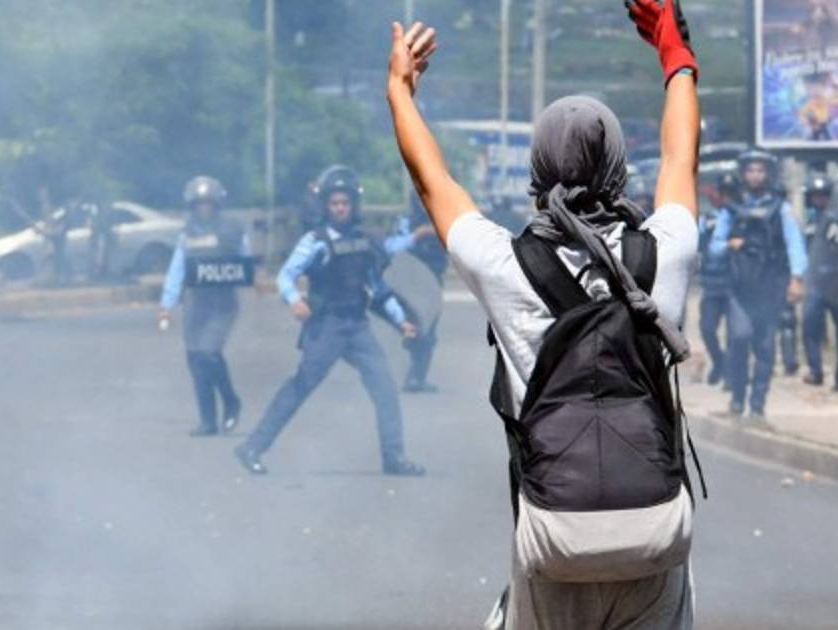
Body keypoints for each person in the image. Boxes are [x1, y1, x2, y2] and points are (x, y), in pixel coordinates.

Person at [388, 1, 700, 626]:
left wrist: (400, 90)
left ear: (537, 174)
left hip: (555, 533)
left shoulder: (504, 265)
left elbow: (432, 183)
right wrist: (676, 55)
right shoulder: (664, 251)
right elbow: (679, 158)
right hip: (659, 526)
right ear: (619, 171)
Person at [234, 167, 425, 477]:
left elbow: (378, 287)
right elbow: (285, 276)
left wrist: (401, 321)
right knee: (301, 385)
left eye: (345, 203)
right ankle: (252, 447)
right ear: (325, 206)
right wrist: (294, 300)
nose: (340, 208)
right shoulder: (315, 241)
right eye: (334, 203)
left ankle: (394, 457)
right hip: (327, 325)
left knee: (385, 387)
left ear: (353, 205)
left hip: (357, 325)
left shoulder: (365, 241)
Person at [716, 148, 807, 418]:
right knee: (739, 338)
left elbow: (795, 245)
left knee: (765, 346)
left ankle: (758, 404)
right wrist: (730, 244)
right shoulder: (731, 209)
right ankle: (737, 399)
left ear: (768, 174)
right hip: (739, 287)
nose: (755, 175)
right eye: (750, 170)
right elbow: (714, 245)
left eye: (760, 170)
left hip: (770, 285)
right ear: (743, 174)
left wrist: (797, 278)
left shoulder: (781, 209)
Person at [158, 176, 248, 436]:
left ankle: (231, 400)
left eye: (208, 203)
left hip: (223, 302)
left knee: (209, 352)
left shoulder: (232, 230)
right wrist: (167, 303)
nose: (204, 208)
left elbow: (245, 260)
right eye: (199, 204)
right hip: (196, 301)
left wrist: (246, 276)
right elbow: (177, 268)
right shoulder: (187, 233)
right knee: (196, 358)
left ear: (217, 204)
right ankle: (207, 420)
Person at [384, 194, 447, 393]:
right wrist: (417, 235)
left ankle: (417, 377)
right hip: (409, 280)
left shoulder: (445, 217)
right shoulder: (406, 221)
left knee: (429, 331)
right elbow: (390, 246)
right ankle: (403, 374)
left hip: (433, 280)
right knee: (411, 327)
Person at [799, 172, 838, 391]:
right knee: (809, 323)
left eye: (824, 195)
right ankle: (815, 370)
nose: (820, 199)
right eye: (816, 195)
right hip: (816, 281)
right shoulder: (809, 220)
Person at [696, 170, 739, 386]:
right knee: (707, 328)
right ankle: (719, 362)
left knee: (734, 333)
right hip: (711, 284)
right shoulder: (707, 219)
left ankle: (731, 373)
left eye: (731, 193)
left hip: (734, 284)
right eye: (725, 193)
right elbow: (700, 245)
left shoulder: (742, 216)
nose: (727, 197)